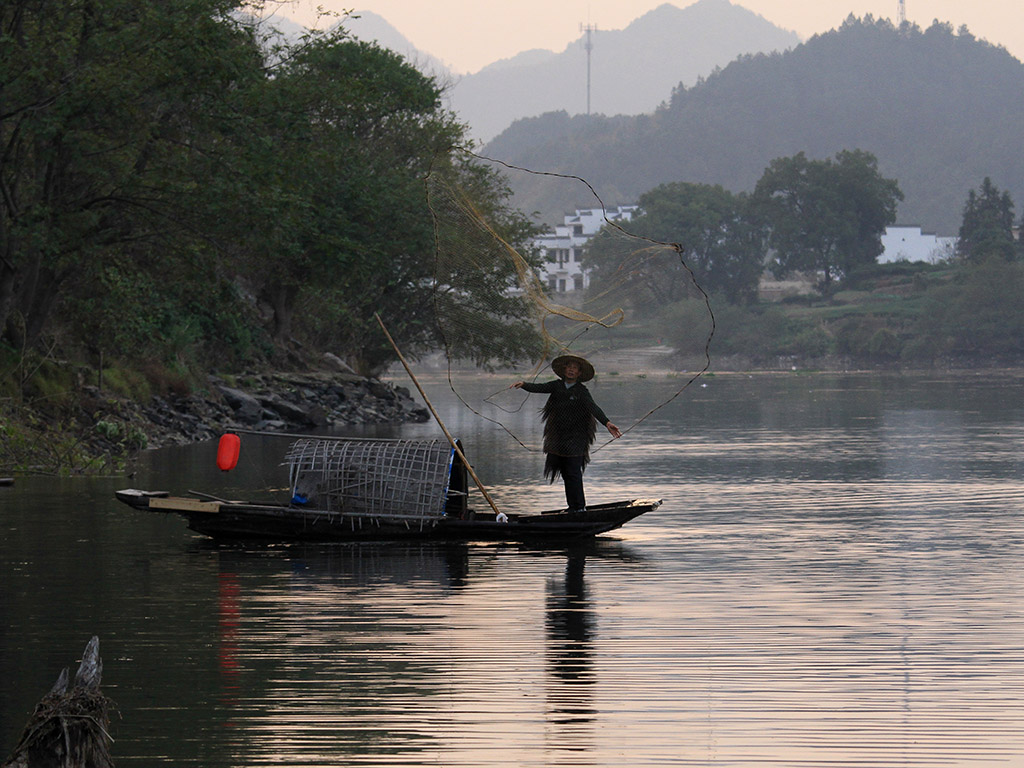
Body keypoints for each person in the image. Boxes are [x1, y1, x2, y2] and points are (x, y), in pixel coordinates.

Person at [511, 354, 622, 513]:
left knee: (574, 472)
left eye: (575, 368)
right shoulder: (556, 386)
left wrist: (607, 422)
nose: (571, 370)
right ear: (564, 370)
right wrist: (524, 384)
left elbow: (593, 408)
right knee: (565, 472)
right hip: (558, 437)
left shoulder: (581, 391)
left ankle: (580, 507)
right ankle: (573, 507)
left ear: (579, 373)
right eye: (569, 367)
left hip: (577, 437)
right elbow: (540, 387)